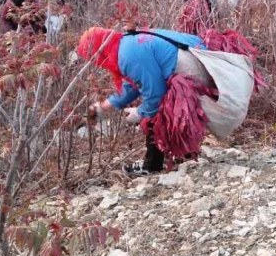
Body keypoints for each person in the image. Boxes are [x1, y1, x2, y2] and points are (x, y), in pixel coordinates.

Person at [77, 26, 207, 177]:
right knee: (157, 109)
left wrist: (140, 113)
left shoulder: (127, 56)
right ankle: (184, 155)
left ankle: (152, 166)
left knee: (156, 113)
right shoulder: (125, 44)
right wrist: (105, 106)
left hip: (195, 69)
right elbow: (134, 85)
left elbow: (155, 94)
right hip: (198, 58)